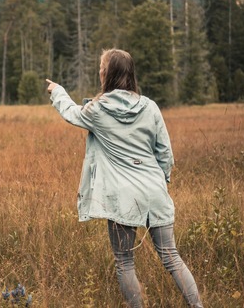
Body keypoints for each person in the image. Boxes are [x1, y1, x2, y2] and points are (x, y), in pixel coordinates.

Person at [45, 48, 202, 308]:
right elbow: (165, 153)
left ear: (107, 74)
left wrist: (58, 91)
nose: (99, 74)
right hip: (154, 191)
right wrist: (161, 184)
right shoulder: (150, 107)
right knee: (172, 257)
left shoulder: (97, 110)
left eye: (100, 70)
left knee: (125, 262)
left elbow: (71, 113)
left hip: (121, 198)